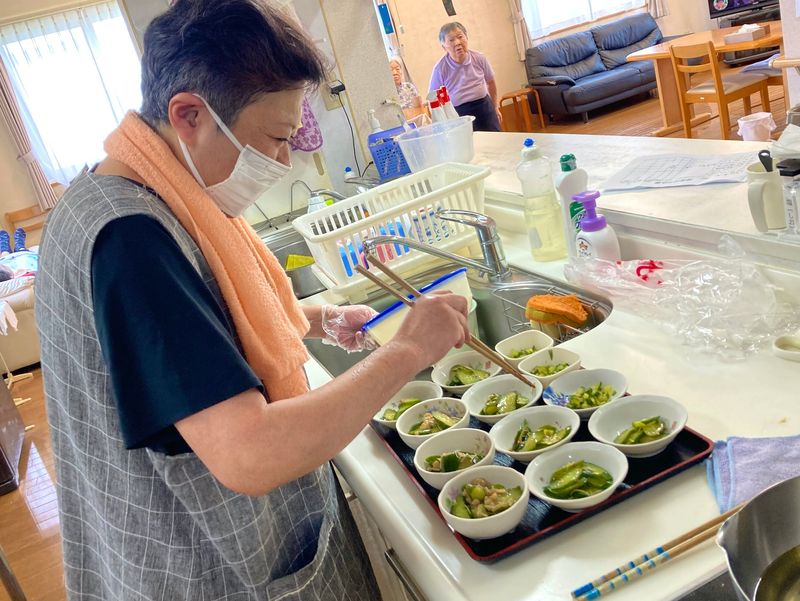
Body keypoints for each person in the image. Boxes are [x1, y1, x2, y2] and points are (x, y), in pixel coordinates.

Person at [35, 1, 471, 600]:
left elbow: (183, 344)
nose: (284, 161)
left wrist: (314, 319)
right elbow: (251, 453)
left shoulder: (108, 191)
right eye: (275, 138)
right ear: (189, 114)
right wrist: (409, 351)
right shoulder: (131, 240)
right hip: (205, 572)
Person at [429, 22, 502, 132]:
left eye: (460, 37)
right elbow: (433, 97)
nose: (457, 43)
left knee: (494, 139)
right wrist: (444, 123)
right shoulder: (440, 68)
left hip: (484, 106)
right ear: (444, 47)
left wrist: (495, 107)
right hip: (459, 113)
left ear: (466, 37)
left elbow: (490, 82)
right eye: (451, 40)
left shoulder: (479, 58)